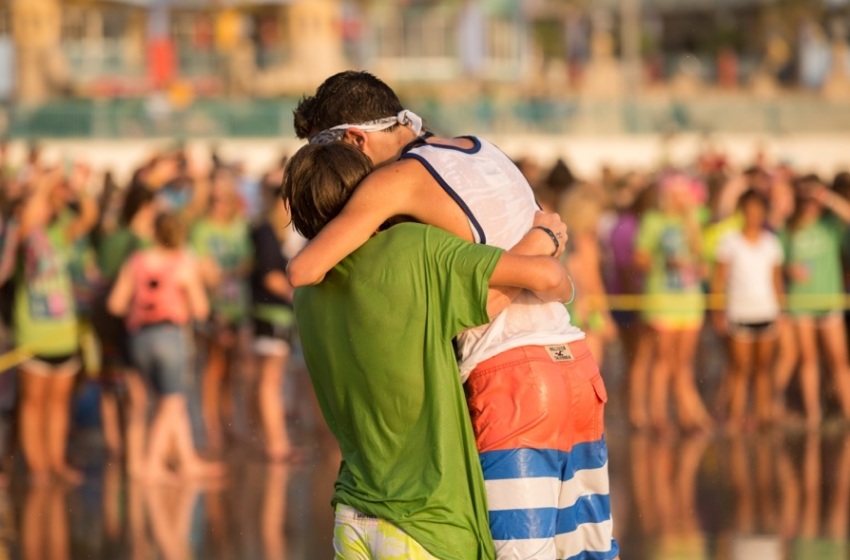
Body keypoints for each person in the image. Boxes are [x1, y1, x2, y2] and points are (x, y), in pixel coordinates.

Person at [287, 71, 618, 560]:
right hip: (572, 364)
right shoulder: (482, 148)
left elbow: (305, 267)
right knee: (588, 551)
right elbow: (549, 270)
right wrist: (542, 245)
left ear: (356, 139)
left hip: (509, 379)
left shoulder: (393, 181)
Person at [108, 212, 225, 481]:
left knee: (169, 400)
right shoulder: (183, 263)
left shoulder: (136, 261)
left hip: (137, 339)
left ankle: (187, 461)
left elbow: (115, 303)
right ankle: (152, 464)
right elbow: (201, 309)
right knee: (171, 402)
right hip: (171, 337)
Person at [13, 166, 97, 485]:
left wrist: (78, 185)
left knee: (60, 403)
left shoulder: (60, 235)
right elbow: (30, 218)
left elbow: (88, 216)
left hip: (64, 332)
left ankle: (56, 461)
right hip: (34, 333)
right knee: (33, 403)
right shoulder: (26, 237)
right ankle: (37, 467)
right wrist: (46, 182)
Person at [634, 172, 713, 433]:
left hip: (690, 300)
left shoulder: (695, 219)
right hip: (662, 299)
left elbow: (703, 255)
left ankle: (684, 414)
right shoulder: (653, 220)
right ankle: (658, 415)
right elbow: (641, 258)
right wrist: (663, 262)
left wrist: (702, 268)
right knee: (662, 360)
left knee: (683, 362)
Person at [777, 176, 850, 428]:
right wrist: (789, 270)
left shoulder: (830, 226)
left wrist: (825, 196)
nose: (810, 204)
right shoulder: (790, 228)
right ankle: (813, 415)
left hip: (829, 300)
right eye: (806, 199)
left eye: (813, 199)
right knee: (808, 360)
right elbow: (778, 264)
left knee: (839, 360)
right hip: (801, 302)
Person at [191, 169, 252, 454]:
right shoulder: (201, 229)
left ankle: (229, 423)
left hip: (237, 305)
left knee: (233, 369)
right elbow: (203, 272)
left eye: (223, 199)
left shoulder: (238, 226)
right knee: (212, 369)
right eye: (214, 200)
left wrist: (225, 271)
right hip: (213, 308)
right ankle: (211, 428)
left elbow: (248, 261)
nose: (219, 205)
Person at [711, 190, 784, 430]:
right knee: (740, 368)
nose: (753, 215)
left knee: (763, 368)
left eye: (758, 210)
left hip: (766, 311)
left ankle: (763, 416)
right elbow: (719, 280)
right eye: (749, 210)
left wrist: (781, 312)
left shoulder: (771, 242)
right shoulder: (730, 241)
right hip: (739, 312)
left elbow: (776, 280)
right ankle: (736, 417)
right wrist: (718, 311)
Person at [249, 174, 297, 461]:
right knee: (270, 380)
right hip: (271, 313)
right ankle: (277, 444)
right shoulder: (266, 232)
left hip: (266, 313)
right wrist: (297, 295)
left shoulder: (264, 230)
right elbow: (271, 277)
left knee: (265, 380)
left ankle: (270, 441)